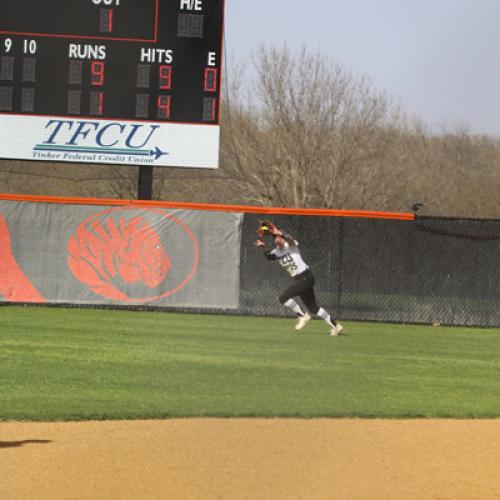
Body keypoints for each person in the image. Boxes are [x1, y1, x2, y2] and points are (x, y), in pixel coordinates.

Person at [254, 220, 343, 336]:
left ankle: (302, 315)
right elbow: (269, 257)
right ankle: (336, 326)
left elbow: (289, 238)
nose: (278, 240)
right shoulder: (277, 252)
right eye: (276, 240)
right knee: (314, 308)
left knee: (283, 298)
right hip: (302, 280)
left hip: (306, 277)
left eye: (280, 238)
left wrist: (278, 232)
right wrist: (263, 247)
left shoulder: (290, 245)